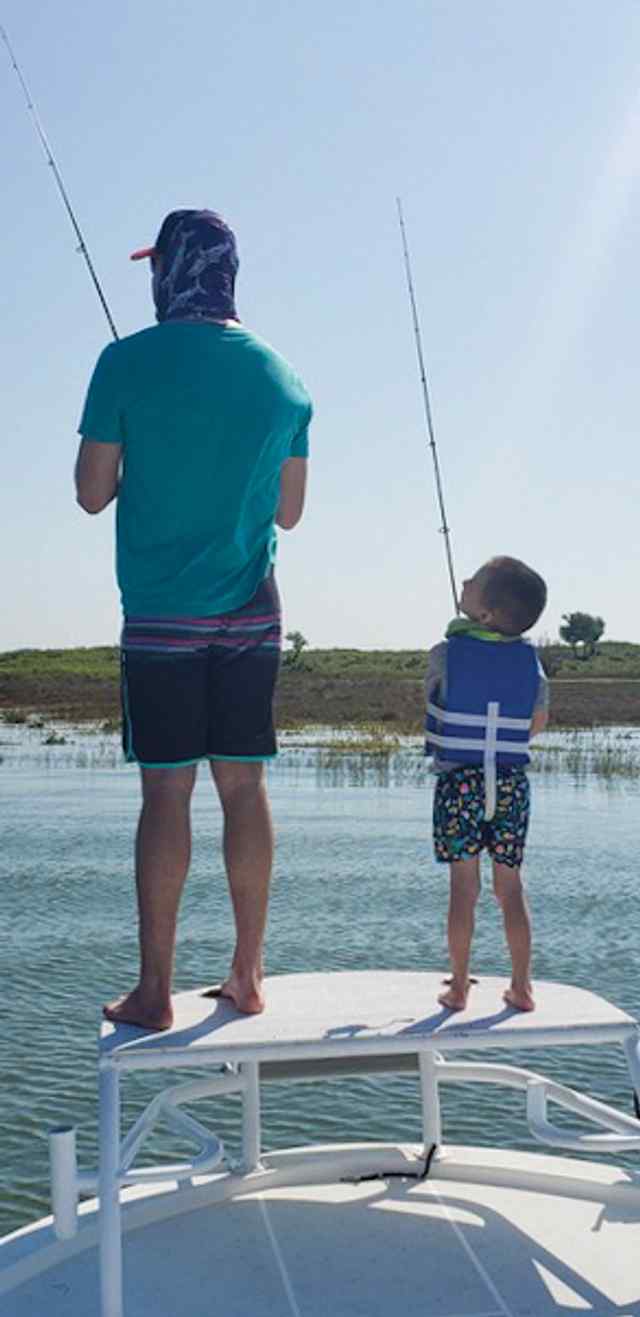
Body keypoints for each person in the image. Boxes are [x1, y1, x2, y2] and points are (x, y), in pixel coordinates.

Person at [75, 209, 312, 1028]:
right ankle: (248, 975)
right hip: (253, 611)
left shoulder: (123, 363)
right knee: (243, 788)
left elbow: (90, 491)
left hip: (163, 616)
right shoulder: (284, 377)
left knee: (166, 796)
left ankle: (154, 991)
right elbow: (289, 514)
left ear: (167, 272)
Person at [425, 556, 548, 1013]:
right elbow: (536, 721)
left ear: (486, 615)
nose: (465, 580)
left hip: (459, 782)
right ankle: (522, 986)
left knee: (464, 888)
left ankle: (458, 988)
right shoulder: (531, 663)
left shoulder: (444, 653)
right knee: (510, 887)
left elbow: (435, 698)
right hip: (512, 784)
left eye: (474, 582)